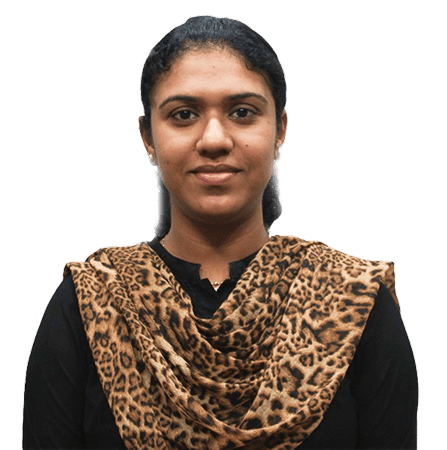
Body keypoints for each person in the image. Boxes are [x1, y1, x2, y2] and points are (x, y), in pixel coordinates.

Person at [23, 15, 418, 450]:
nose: (214, 139)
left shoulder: (352, 299)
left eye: (242, 112)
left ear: (280, 129)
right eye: (184, 114)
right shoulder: (93, 302)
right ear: (148, 136)